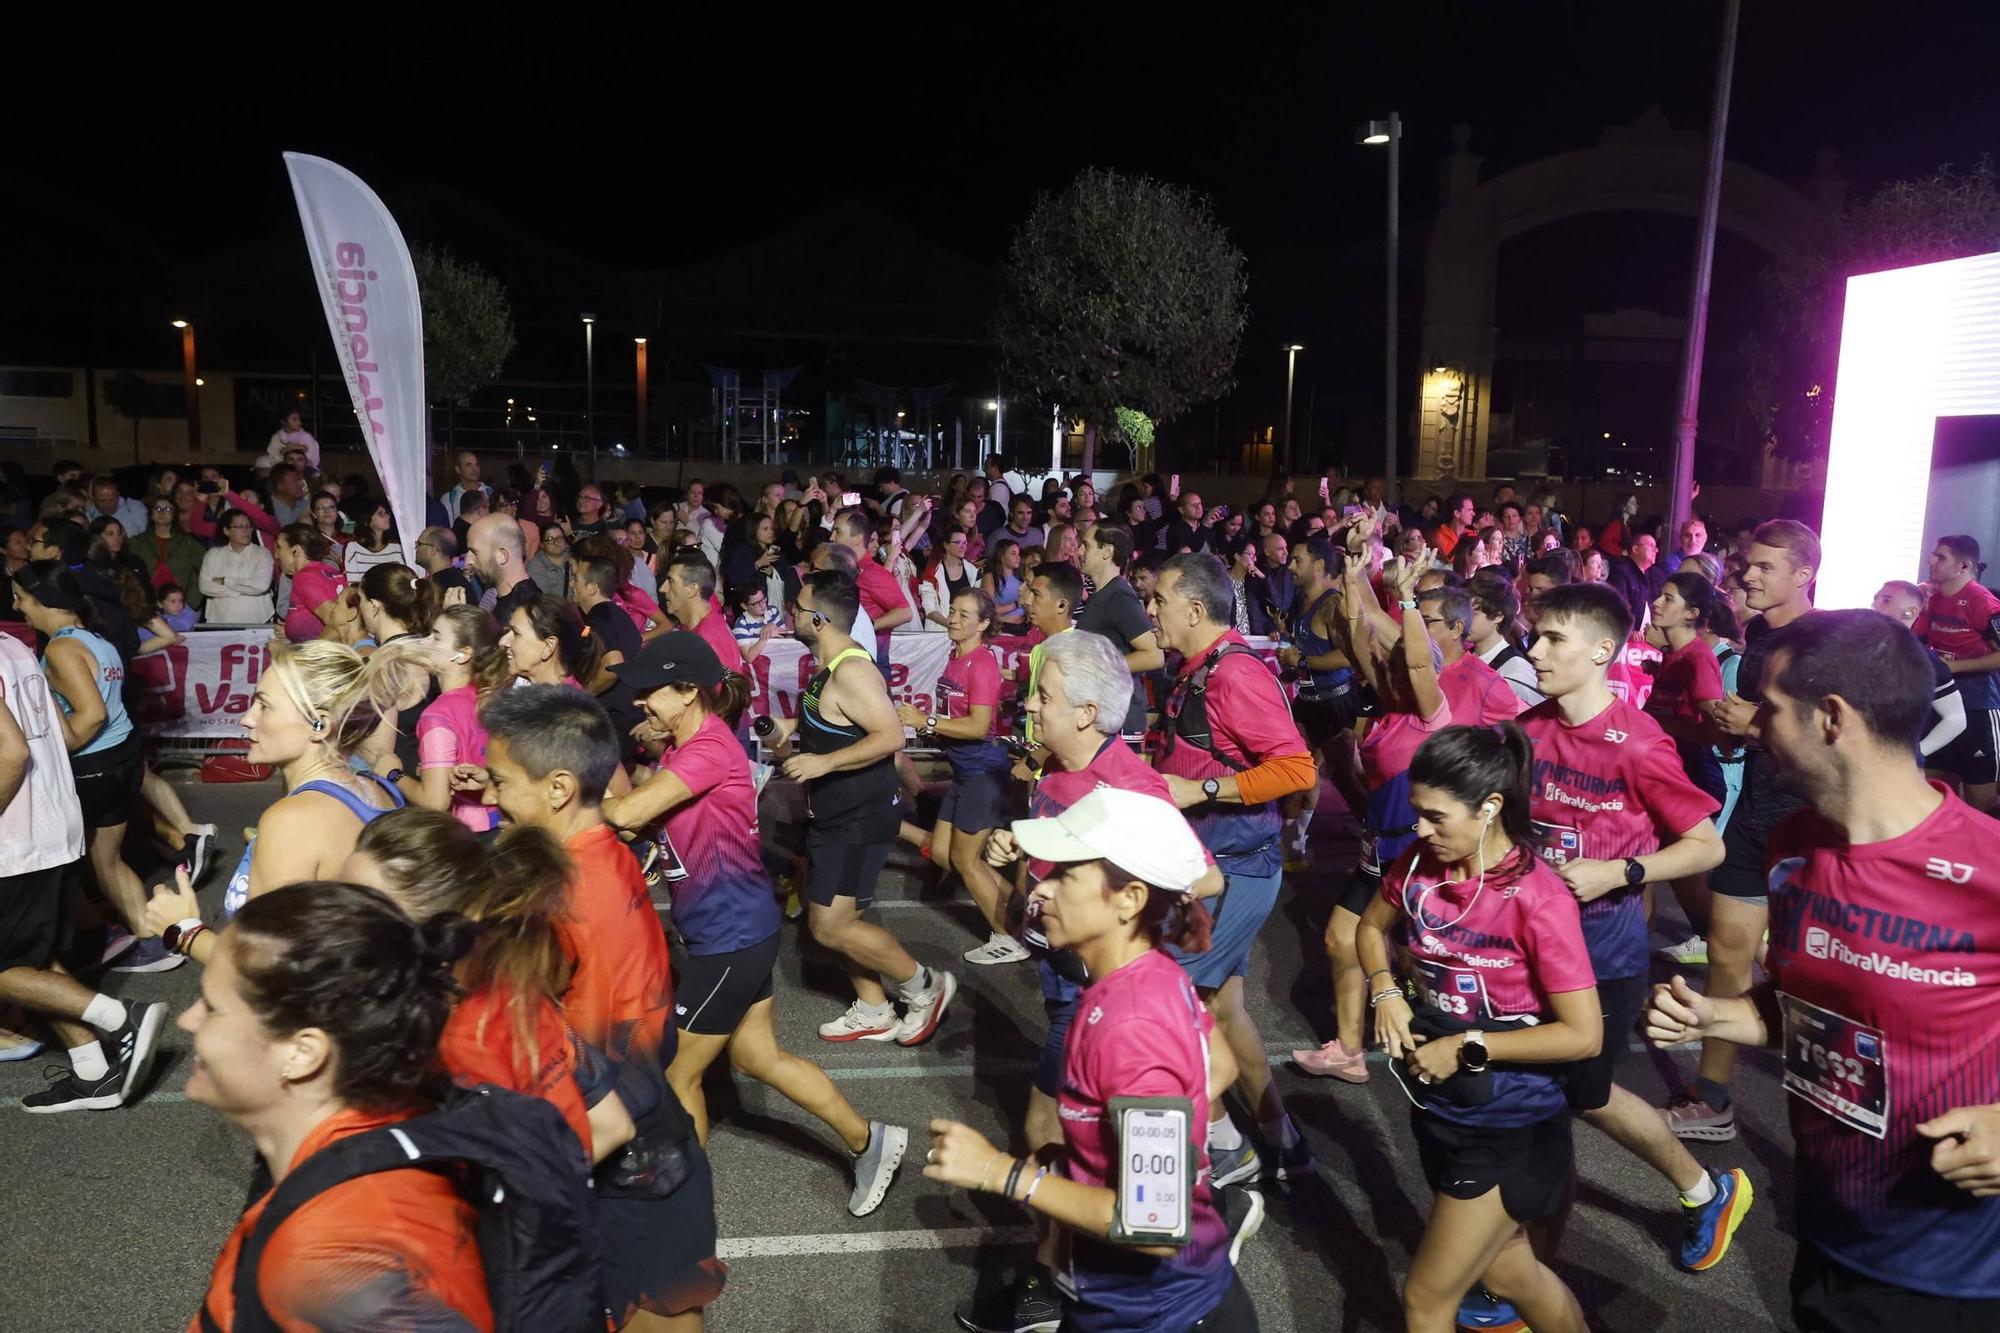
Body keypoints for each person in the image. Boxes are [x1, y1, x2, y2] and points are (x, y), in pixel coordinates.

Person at [1645, 610, 2000, 1331]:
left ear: (1830, 718)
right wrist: (1722, 1015)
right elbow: (1814, 1012)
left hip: (1957, 1274)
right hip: (1827, 1233)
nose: (1751, 725)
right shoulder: (1791, 843)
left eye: (1768, 709)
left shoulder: (1987, 866)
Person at [344, 807, 729, 1331]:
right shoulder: (449, 993)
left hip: (644, 1180)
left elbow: (607, 1127)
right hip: (606, 1177)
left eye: (366, 908)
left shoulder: (486, 1015)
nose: (343, 919)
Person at [600, 633, 910, 1218]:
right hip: (737, 928)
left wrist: (570, 784)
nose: (640, 700)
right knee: (759, 1059)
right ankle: (870, 1140)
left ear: (688, 692)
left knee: (675, 1073)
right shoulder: (687, 744)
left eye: (650, 691)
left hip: (730, 938)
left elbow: (626, 814)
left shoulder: (706, 750)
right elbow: (650, 819)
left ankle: (682, 1204)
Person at [928, 788, 1255, 1333]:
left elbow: (1154, 1226)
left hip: (1161, 1316)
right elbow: (1216, 1063)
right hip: (1128, 1302)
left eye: (1066, 876)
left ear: (1128, 898)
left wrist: (1001, 1173)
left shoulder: (1133, 1026)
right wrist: (1095, 1152)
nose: (1040, 891)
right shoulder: (1145, 973)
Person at [1510, 584, 1748, 1288]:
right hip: (1529, 950)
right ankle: (1519, 1267)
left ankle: (1704, 1189)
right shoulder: (1528, 728)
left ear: (1603, 651)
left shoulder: (1641, 743)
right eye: (1536, 636)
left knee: (1582, 1095)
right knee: (1540, 1095)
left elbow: (1706, 847)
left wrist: (1621, 868)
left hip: (1603, 958)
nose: (1536, 650)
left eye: (1554, 638)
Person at [477, 685, 725, 1328]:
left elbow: (610, 1090)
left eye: (501, 783)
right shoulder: (607, 854)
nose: (487, 797)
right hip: (641, 1156)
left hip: (623, 1173)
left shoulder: (561, 899)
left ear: (558, 788)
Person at [1358, 725, 1600, 1333]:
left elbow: (1582, 1035)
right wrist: (1386, 991)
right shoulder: (1417, 864)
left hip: (1510, 1124)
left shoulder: (1539, 900)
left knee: (1426, 1299)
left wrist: (1468, 1045)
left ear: (1490, 807)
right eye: (1417, 814)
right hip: (1442, 1107)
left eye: (1436, 818)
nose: (1419, 830)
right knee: (1509, 1273)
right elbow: (1366, 931)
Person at [180, 884, 497, 1329]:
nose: (186, 1020)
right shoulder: (363, 1133)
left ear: (301, 1053)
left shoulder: (330, 1256)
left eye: (212, 1008)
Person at [1149, 553, 1318, 1183]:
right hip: (1214, 862)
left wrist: (1204, 794)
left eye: (1160, 599)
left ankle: (1225, 1146)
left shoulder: (1232, 676)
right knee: (1223, 1009)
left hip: (1236, 868)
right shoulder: (1196, 669)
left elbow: (1298, 768)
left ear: (1195, 610)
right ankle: (1282, 1137)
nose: (1152, 611)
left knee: (1165, 1003)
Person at [1664, 519, 1818, 1141]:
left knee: (1813, 974)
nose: (1747, 575)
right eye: (1748, 564)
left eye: (1765, 567)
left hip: (1806, 824)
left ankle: (1838, 1119)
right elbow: (1754, 732)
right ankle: (1714, 1099)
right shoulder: (1754, 634)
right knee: (1727, 954)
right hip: (1754, 815)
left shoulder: (1823, 643)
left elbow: (1838, 739)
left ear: (1804, 575)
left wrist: (1759, 725)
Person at [145, 640, 416, 962]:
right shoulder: (378, 790)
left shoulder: (294, 821)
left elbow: (265, 967)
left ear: (320, 725)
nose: (247, 719)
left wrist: (184, 930)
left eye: (264, 706)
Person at [775, 570, 958, 1045]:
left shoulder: (853, 670)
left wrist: (822, 763)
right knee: (835, 921)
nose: (790, 612)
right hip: (835, 814)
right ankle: (875, 1008)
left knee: (829, 926)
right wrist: (789, 727)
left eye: (797, 606)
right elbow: (837, 721)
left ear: (818, 619)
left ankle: (925, 986)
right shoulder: (829, 669)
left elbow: (891, 735)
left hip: (857, 818)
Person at [0, 627, 169, 1112]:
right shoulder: (14, 647)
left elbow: (12, 752)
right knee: (34, 955)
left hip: (16, 836)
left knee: (7, 966)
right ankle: (92, 1070)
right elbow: (58, 732)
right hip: (51, 820)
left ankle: (122, 1017)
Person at [9, 562, 171, 972]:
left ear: (46, 601)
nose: (17, 606)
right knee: (109, 860)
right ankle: (133, 933)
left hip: (96, 765)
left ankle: (141, 942)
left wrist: (62, 749)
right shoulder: (96, 639)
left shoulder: (62, 649)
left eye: (21, 598)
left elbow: (92, 713)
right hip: (124, 756)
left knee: (97, 863)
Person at [896, 589, 1021, 964]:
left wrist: (927, 721)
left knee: (967, 862)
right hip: (964, 773)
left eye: (965, 615)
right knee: (942, 853)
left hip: (984, 772)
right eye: (952, 611)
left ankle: (1009, 938)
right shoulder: (955, 658)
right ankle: (1023, 911)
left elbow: (980, 725)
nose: (953, 619)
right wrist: (935, 729)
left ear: (983, 624)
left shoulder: (981, 663)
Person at [1922, 534, 2000, 813]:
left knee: (1981, 805)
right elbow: (1916, 642)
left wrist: (1953, 667)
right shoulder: (1934, 599)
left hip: (1977, 710)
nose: (1931, 561)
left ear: (1964, 567)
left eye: (1941, 557)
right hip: (1939, 708)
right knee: (1925, 794)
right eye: (1934, 554)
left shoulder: (1984, 603)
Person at [412, 605, 508, 831]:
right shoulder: (490, 696)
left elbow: (435, 802)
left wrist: (392, 774)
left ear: (464, 654)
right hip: (500, 822)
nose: (424, 643)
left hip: (466, 833)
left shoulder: (437, 714)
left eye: (436, 638)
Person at [1076, 522, 1165, 745]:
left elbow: (1154, 654)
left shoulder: (1119, 597)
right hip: (1104, 715)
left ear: (1107, 551)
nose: (1079, 552)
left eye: (1086, 545)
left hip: (1119, 720)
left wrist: (1101, 666)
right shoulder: (1105, 595)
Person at [572, 551, 648, 756]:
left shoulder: (599, 619)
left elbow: (613, 666)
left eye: (576, 579)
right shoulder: (619, 614)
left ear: (592, 588)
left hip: (616, 720)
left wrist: (584, 694)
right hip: (632, 714)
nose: (572, 585)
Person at [1420, 583, 1526, 725]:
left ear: (1457, 628)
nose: (1416, 629)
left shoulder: (1494, 677)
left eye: (1426, 622)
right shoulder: (1424, 666)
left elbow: (1527, 727)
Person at [1465, 571, 1542, 707]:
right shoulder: (1465, 656)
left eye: (1474, 613)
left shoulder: (1515, 672)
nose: (1464, 619)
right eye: (1463, 612)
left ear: (1498, 616)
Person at [503, 593, 599, 690]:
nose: (503, 642)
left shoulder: (567, 703)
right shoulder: (526, 691)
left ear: (548, 647)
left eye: (516, 634)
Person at [275, 524, 353, 643]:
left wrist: (310, 655)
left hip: (323, 657)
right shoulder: (329, 570)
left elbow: (338, 624)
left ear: (296, 550)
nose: (276, 555)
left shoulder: (305, 578)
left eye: (279, 548)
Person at [198, 508, 276, 624]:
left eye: (248, 526)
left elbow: (260, 586)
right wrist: (242, 588)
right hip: (219, 620)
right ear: (226, 530)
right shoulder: (213, 554)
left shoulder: (263, 553)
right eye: (240, 527)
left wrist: (224, 580)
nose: (246, 531)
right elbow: (205, 586)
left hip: (258, 619)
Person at [467, 512, 539, 631]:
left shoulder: (516, 615)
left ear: (502, 556)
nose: (468, 561)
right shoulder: (514, 601)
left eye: (474, 553)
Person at [137, 494, 205, 610]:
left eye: (168, 509)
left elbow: (203, 574)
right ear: (151, 514)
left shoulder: (189, 543)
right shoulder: (136, 543)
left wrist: (190, 604)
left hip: (182, 606)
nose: (162, 512)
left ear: (174, 514)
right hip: (146, 607)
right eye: (157, 508)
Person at [341, 501, 405, 584]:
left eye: (387, 513)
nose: (388, 516)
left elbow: (401, 580)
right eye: (381, 514)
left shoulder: (397, 548)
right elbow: (352, 583)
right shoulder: (353, 547)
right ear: (368, 519)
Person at [84, 475, 147, 541]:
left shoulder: (134, 507)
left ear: (118, 495)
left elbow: (143, 537)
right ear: (93, 498)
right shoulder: (88, 516)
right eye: (102, 500)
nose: (107, 504)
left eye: (112, 500)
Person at [981, 539, 1026, 630]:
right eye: (1013, 554)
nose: (1018, 557)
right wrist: (1016, 604)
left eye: (1018, 554)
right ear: (1001, 556)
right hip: (1003, 627)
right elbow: (988, 610)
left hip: (1024, 625)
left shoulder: (1021, 577)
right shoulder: (991, 577)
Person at [439, 449, 490, 524]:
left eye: (476, 464)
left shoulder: (490, 493)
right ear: (458, 469)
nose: (475, 469)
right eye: (469, 465)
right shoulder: (448, 499)